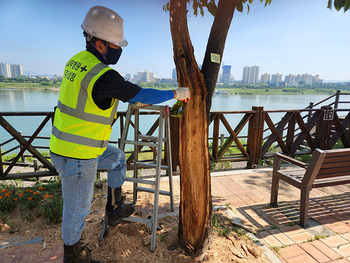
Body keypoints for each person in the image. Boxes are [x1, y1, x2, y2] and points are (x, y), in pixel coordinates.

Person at [49, 6, 190, 263]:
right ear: (100, 44)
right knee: (77, 209)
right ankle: (74, 255)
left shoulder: (78, 61)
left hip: (78, 147)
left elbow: (97, 99)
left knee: (117, 158)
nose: (118, 50)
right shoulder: (103, 75)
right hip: (77, 156)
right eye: (115, 45)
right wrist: (174, 94)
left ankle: (113, 209)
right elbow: (139, 93)